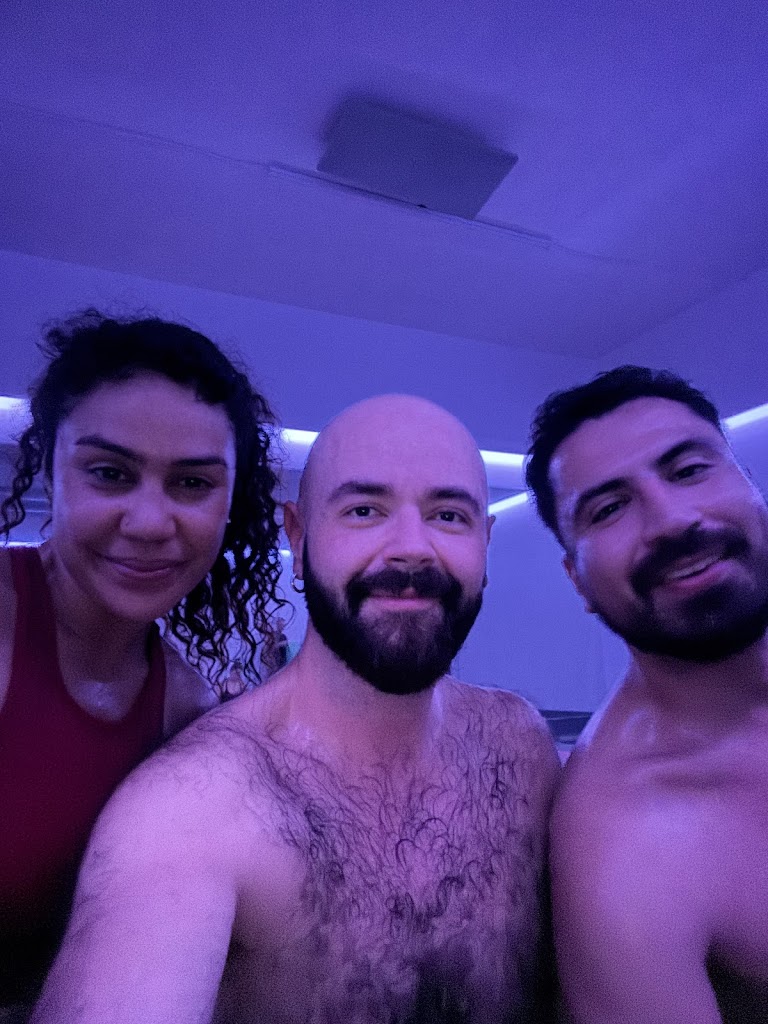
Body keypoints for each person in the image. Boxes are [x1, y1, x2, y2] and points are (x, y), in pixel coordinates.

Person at [31, 394, 560, 1024]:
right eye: (364, 511)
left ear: (485, 542)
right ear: (298, 535)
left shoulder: (521, 749)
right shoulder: (193, 807)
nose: (411, 549)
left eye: (448, 516)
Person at [0, 310, 283, 1016]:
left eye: (191, 484)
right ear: (49, 472)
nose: (151, 522)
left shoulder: (186, 707)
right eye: (109, 473)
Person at [525, 366, 768, 1024]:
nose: (671, 519)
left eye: (689, 470)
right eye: (609, 509)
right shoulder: (626, 848)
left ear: (749, 484)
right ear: (577, 579)